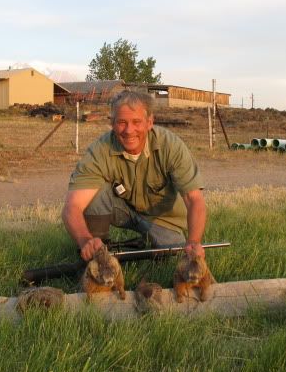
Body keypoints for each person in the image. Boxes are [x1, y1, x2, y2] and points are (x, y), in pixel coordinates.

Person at [62, 90, 207, 262]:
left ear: (149, 122)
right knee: (95, 194)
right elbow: (72, 207)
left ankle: (142, 244)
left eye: (136, 122)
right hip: (123, 210)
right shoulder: (99, 150)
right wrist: (85, 240)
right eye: (122, 122)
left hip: (163, 220)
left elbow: (194, 200)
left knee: (174, 256)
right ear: (112, 123)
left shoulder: (171, 145)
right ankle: (97, 252)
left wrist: (194, 241)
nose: (129, 130)